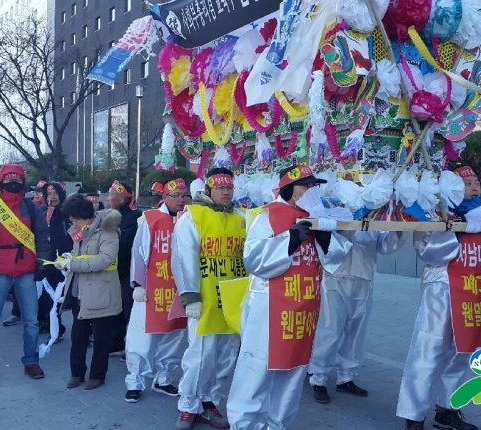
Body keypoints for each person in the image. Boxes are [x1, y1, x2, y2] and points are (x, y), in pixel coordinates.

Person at [227, 164, 352, 429]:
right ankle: (245, 424)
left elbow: (334, 259)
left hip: (304, 309)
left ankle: (278, 424)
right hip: (269, 307)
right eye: (305, 185)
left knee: (293, 370)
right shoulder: (267, 216)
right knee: (258, 369)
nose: (310, 190)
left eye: (312, 185)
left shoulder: (315, 217)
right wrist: (290, 240)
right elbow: (254, 259)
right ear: (289, 188)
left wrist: (326, 237)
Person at [397, 166, 481, 430]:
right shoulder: (436, 214)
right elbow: (427, 251)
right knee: (429, 350)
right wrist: (456, 230)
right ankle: (413, 414)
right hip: (441, 292)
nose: (473, 188)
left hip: (473, 294)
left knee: (462, 352)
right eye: (466, 183)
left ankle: (446, 409)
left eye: (476, 183)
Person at [171, 168, 244, 430]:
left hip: (234, 300)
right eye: (221, 187)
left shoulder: (242, 217)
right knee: (199, 355)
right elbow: (183, 258)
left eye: (230, 188)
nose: (226, 192)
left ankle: (209, 400)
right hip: (205, 299)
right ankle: (188, 405)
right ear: (209, 189)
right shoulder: (193, 217)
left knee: (225, 355)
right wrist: (190, 297)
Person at [0, 164, 50, 386]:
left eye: (17, 178)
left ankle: (31, 361)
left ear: (23, 182)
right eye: (8, 178)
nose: (12, 182)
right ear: (1, 181)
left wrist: (42, 264)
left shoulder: (31, 208)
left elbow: (42, 237)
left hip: (26, 269)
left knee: (31, 321)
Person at [308, 228, 405, 402]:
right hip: (335, 275)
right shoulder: (332, 203)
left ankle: (346, 377)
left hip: (363, 276)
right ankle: (319, 379)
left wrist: (397, 230)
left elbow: (386, 246)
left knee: (356, 331)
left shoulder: (372, 208)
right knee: (329, 331)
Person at [124, 178, 190, 404]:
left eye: (184, 196)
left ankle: (163, 378)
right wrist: (139, 284)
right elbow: (138, 252)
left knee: (173, 335)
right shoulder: (150, 219)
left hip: (179, 290)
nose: (181, 200)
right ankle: (135, 380)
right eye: (176, 196)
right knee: (142, 336)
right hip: (152, 288)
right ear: (165, 198)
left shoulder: (190, 220)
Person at [55, 194, 122, 390]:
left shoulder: (107, 230)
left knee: (101, 337)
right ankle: (76, 373)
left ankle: (97, 375)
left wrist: (73, 263)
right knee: (78, 335)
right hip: (79, 291)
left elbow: (104, 259)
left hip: (101, 291)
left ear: (85, 215)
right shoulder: (80, 231)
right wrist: (68, 259)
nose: (72, 222)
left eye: (74, 219)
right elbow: (81, 256)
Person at [106, 180, 143, 356]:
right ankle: (116, 343)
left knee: (129, 310)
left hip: (129, 270)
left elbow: (125, 244)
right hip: (116, 270)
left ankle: (134, 347)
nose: (107, 199)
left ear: (121, 198)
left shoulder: (134, 216)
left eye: (110, 196)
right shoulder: (113, 213)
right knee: (116, 308)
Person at [39, 181, 72, 338]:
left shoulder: (69, 211)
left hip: (70, 260)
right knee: (51, 295)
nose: (52, 197)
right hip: (50, 261)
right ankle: (55, 327)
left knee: (74, 296)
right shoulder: (43, 212)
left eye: (55, 193)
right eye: (49, 194)